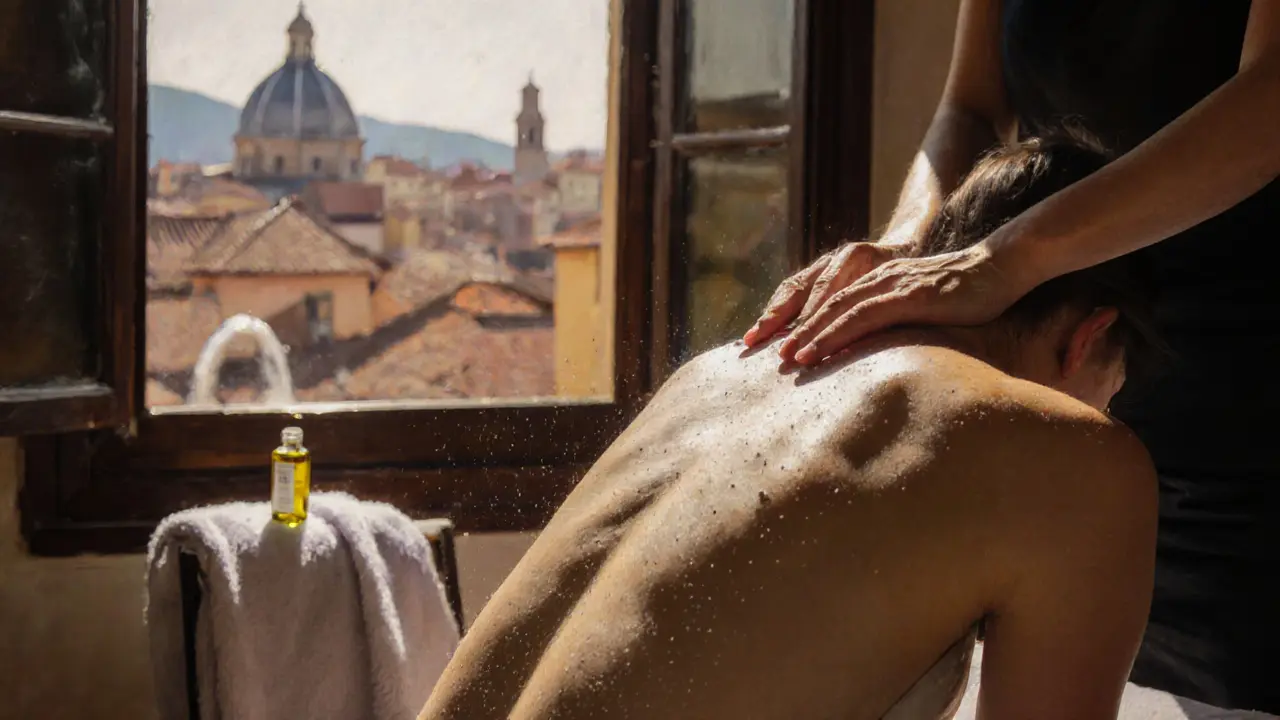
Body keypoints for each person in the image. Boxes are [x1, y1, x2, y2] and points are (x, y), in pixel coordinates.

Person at [421, 135, 1160, 720]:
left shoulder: (720, 372)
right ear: (1090, 338)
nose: (1097, 413)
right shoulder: (1072, 459)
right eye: (1109, 392)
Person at [745, 1, 1280, 710]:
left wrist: (1005, 256)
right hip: (1072, 379)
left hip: (1250, 407)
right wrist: (912, 245)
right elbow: (969, 105)